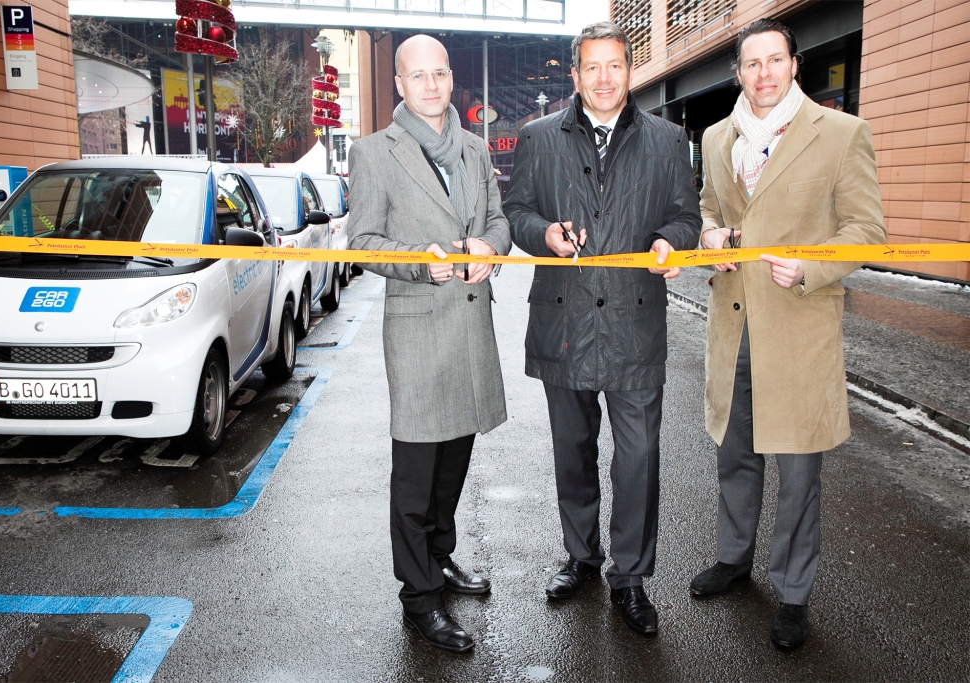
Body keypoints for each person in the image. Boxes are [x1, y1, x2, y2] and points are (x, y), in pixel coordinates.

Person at [691, 19, 886, 649]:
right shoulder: (720, 137)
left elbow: (865, 230)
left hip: (800, 327)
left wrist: (811, 264)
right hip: (733, 327)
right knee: (735, 453)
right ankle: (733, 557)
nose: (764, 73)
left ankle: (794, 591)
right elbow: (710, 210)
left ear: (795, 65)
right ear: (739, 73)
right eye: (752, 64)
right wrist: (711, 239)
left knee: (799, 472)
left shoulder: (842, 134)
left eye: (776, 60)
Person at [504, 21, 701, 636]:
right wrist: (545, 236)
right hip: (563, 322)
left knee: (638, 458)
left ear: (630, 69)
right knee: (573, 453)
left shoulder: (669, 142)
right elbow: (516, 212)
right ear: (575, 74)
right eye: (592, 67)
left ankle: (632, 578)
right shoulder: (538, 138)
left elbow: (686, 218)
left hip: (635, 327)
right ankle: (581, 558)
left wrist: (672, 241)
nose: (604, 77)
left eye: (615, 65)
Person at [347, 34, 511, 653]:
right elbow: (362, 242)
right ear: (399, 83)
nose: (433, 85)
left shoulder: (472, 149)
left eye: (440, 73)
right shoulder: (374, 153)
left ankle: (439, 559)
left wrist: (489, 248)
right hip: (418, 329)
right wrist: (422, 262)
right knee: (415, 476)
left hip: (470, 329)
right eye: (419, 76)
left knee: (453, 467)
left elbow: (495, 220)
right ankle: (419, 597)